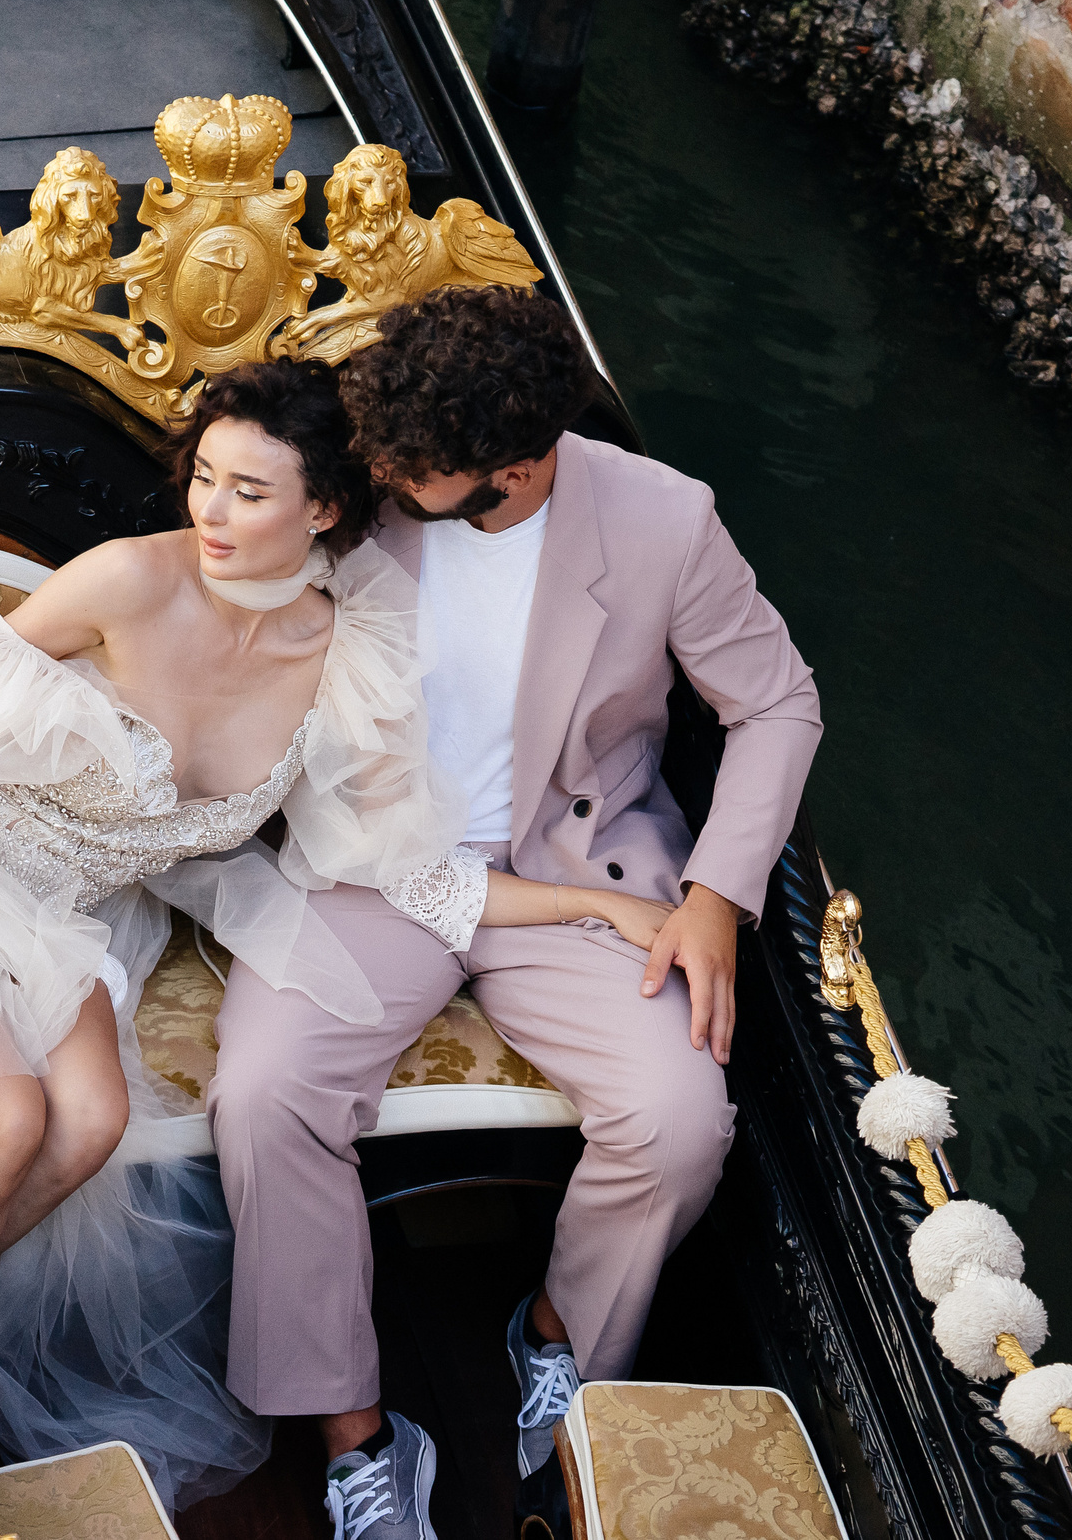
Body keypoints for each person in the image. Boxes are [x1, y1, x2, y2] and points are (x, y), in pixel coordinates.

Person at [0, 358, 673, 1508]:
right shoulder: (132, 581)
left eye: (249, 491)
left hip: (66, 909)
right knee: (6, 1116)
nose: (211, 511)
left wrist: (594, 902)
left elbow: (407, 870)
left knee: (88, 1124)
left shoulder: (348, 651)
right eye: (205, 477)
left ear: (324, 510)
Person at [207, 288, 822, 1536]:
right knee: (265, 1095)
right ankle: (355, 1439)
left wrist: (714, 896)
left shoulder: (664, 521)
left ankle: (557, 1339)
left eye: (411, 471)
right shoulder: (372, 473)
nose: (379, 480)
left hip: (579, 880)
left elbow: (775, 703)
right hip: (372, 865)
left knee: (678, 1123)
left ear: (516, 468)